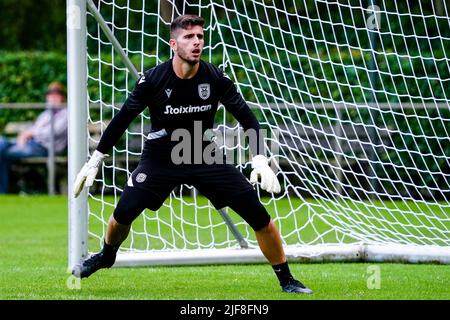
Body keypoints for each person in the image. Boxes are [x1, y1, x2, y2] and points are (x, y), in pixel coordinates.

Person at [72, 14, 312, 294]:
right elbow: (122, 120)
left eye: (199, 36)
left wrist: (259, 157)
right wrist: (96, 159)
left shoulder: (215, 77)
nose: (196, 42)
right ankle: (106, 255)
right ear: (173, 43)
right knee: (123, 213)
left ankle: (287, 280)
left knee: (259, 216)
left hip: (202, 153)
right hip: (161, 156)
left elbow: (247, 117)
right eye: (189, 37)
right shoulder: (153, 80)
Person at [0, 82, 68, 194]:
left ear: (62, 97)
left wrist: (30, 134)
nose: (53, 98)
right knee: (1, 143)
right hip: (30, 143)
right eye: (50, 95)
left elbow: (53, 131)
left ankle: (2, 191)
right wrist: (25, 135)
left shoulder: (66, 114)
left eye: (56, 95)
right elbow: (34, 128)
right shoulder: (45, 114)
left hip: (44, 148)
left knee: (3, 153)